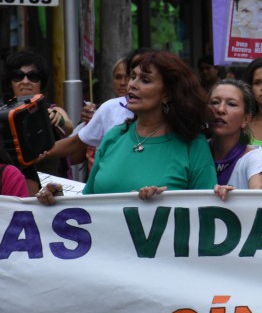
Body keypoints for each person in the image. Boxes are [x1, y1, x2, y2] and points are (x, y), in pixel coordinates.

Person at [39, 51, 216, 201]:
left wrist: (164, 205)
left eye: (145, 80)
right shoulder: (114, 136)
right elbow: (89, 202)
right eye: (133, 77)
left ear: (167, 94)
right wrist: (58, 198)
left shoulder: (193, 144)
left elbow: (206, 211)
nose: (132, 84)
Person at [4, 49, 74, 188]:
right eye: (18, 76)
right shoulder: (3, 114)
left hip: (53, 188)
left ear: (41, 82)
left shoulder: (51, 109)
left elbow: (68, 126)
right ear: (10, 81)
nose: (25, 82)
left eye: (33, 76)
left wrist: (57, 118)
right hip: (14, 187)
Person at [209, 80, 262, 200]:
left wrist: (239, 197)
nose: (220, 109)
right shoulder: (195, 151)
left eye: (231, 104)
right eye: (215, 102)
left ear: (246, 119)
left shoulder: (254, 157)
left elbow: (258, 194)